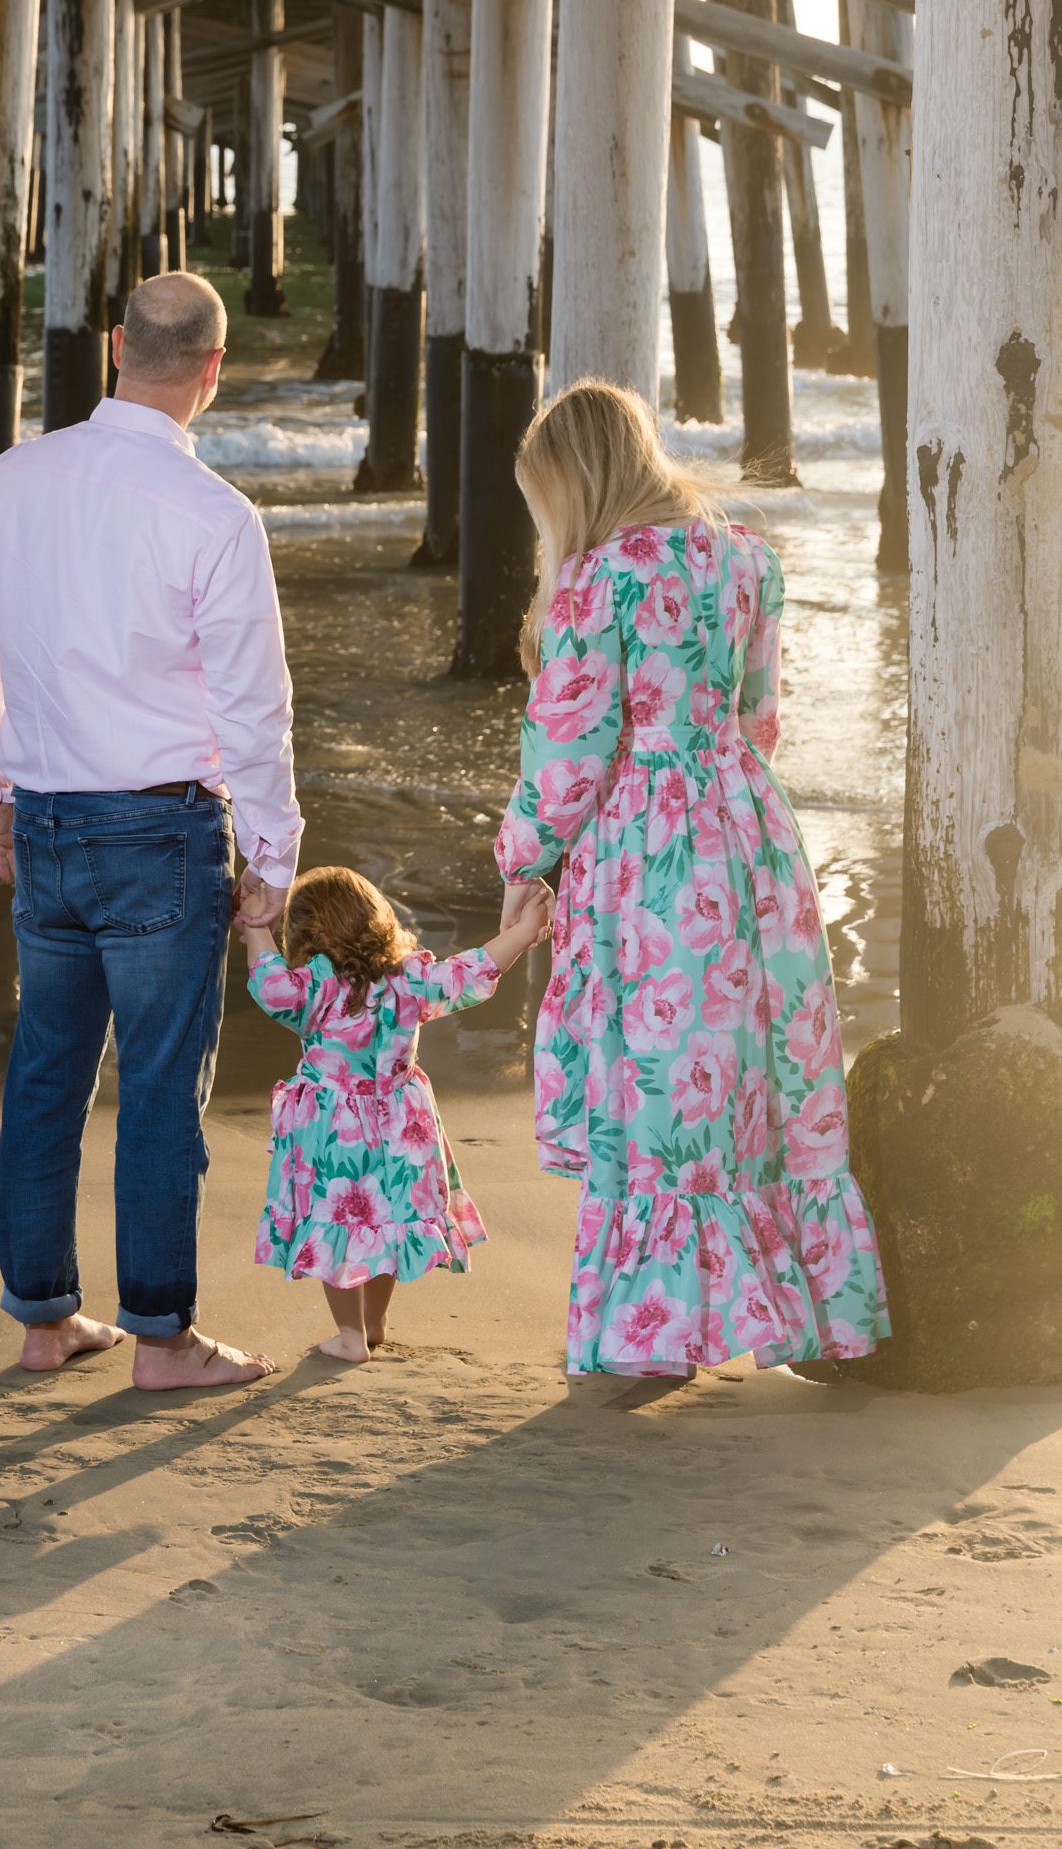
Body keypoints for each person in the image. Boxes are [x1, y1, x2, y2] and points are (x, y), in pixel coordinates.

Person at [0, 272, 301, 1389]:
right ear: (213, 371)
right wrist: (274, 856)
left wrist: (0, 791)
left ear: (113, 346)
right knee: (156, 1091)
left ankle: (45, 1323)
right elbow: (254, 709)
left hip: (46, 821)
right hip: (160, 831)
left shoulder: (14, 477)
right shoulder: (215, 515)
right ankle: (162, 1338)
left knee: (45, 1077)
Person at [494, 379, 890, 1380]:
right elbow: (760, 719)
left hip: (648, 849)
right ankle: (785, 1308)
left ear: (574, 482)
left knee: (659, 1074)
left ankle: (659, 1330)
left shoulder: (598, 578)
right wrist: (720, 789)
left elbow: (568, 750)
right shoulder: (749, 557)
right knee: (748, 1067)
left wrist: (523, 860)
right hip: (751, 833)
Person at [240, 866, 554, 1362]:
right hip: (401, 1124)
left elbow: (270, 985)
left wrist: (256, 926)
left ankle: (350, 1336)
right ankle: (374, 1322)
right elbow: (470, 972)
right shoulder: (408, 977)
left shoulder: (316, 986)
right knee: (386, 1220)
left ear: (305, 932)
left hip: (334, 1130)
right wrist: (523, 930)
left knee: (336, 1223)